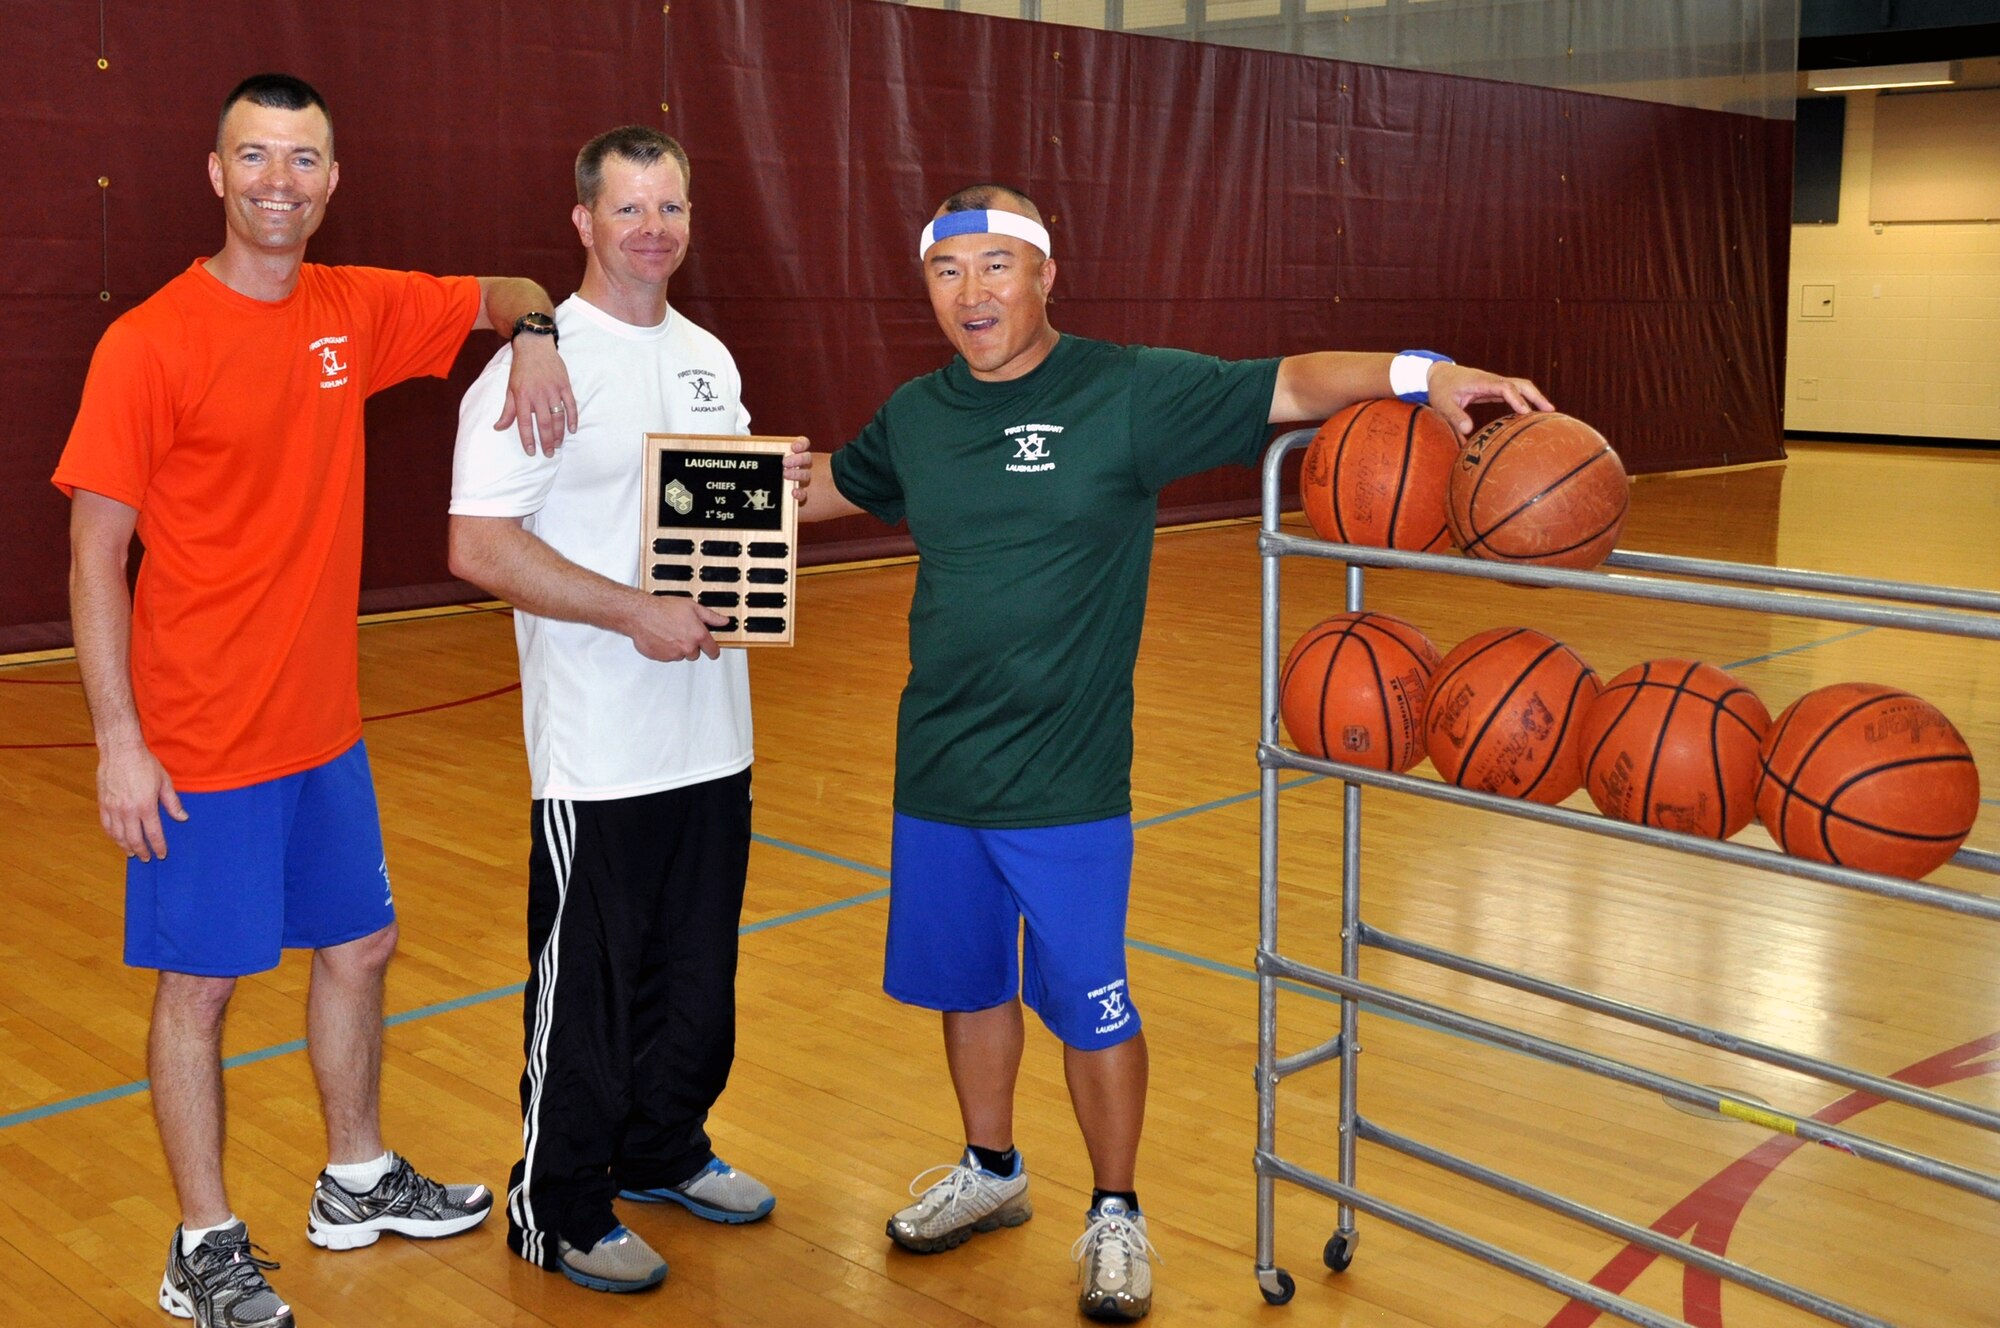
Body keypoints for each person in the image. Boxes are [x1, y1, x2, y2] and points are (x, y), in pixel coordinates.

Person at [783, 184, 1552, 1321]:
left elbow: (1288, 381)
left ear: (1046, 275)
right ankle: (990, 1172)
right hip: (937, 762)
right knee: (971, 983)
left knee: (1093, 1002)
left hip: (1068, 775)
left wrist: (1422, 371)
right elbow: (830, 489)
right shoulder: (918, 412)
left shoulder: (1125, 390)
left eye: (997, 266)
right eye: (949, 272)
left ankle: (1115, 1209)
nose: (972, 293)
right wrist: (710, 491)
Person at [53, 74, 579, 1328]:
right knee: (200, 987)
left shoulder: (351, 306)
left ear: (332, 181)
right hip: (199, 739)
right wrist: (120, 741)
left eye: (303, 160)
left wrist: (539, 334)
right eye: (255, 157)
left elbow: (507, 290)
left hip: (322, 731)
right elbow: (92, 556)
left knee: (359, 944)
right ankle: (201, 1241)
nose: (279, 181)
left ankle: (355, 1177)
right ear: (217, 173)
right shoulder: (150, 341)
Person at [446, 124, 778, 1296]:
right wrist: (629, 610)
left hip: (713, 735)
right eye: (629, 209)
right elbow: (479, 543)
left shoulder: (707, 356)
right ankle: (557, 1202)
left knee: (695, 976)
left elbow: (739, 522)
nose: (653, 230)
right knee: (584, 988)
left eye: (670, 208)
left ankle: (662, 1146)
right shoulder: (535, 367)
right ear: (582, 221)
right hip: (597, 750)